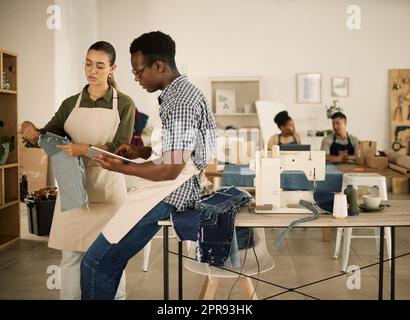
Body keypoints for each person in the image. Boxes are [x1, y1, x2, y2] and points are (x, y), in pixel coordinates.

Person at [80, 31, 216, 300]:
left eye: (138, 72)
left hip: (169, 191)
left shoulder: (180, 102)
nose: (137, 79)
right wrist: (138, 151)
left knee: (95, 264)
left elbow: (171, 168)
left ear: (158, 66)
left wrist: (119, 167)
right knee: (105, 263)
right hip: (169, 185)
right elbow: (178, 150)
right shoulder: (181, 94)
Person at [21, 41, 136, 300]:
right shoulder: (70, 104)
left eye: (99, 65)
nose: (92, 71)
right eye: (87, 63)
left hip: (108, 190)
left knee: (110, 255)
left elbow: (121, 149)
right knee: (71, 256)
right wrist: (30, 130)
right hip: (73, 189)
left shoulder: (125, 104)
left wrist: (86, 148)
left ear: (112, 68)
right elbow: (45, 136)